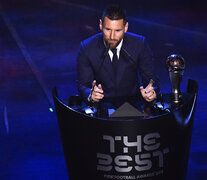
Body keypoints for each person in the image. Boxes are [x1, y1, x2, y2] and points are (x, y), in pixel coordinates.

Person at [77, 5, 159, 104]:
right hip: (102, 106)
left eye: (117, 31)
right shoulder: (87, 47)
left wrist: (151, 92)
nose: (112, 36)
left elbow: (151, 81)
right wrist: (91, 95)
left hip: (133, 104)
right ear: (100, 25)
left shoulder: (139, 44)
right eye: (108, 29)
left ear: (126, 28)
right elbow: (83, 85)